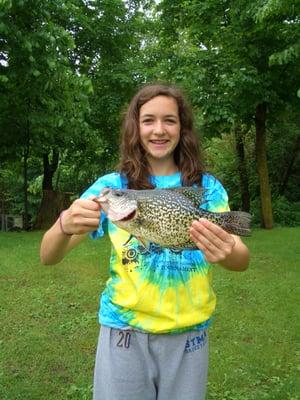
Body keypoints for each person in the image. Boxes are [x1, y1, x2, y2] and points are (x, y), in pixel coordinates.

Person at [40, 83, 249, 400]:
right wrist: (63, 225)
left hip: (189, 335)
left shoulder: (207, 187)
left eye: (170, 120)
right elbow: (48, 256)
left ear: (183, 127)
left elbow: (241, 260)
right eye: (148, 120)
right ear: (135, 127)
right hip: (123, 333)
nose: (159, 129)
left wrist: (227, 249)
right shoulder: (111, 187)